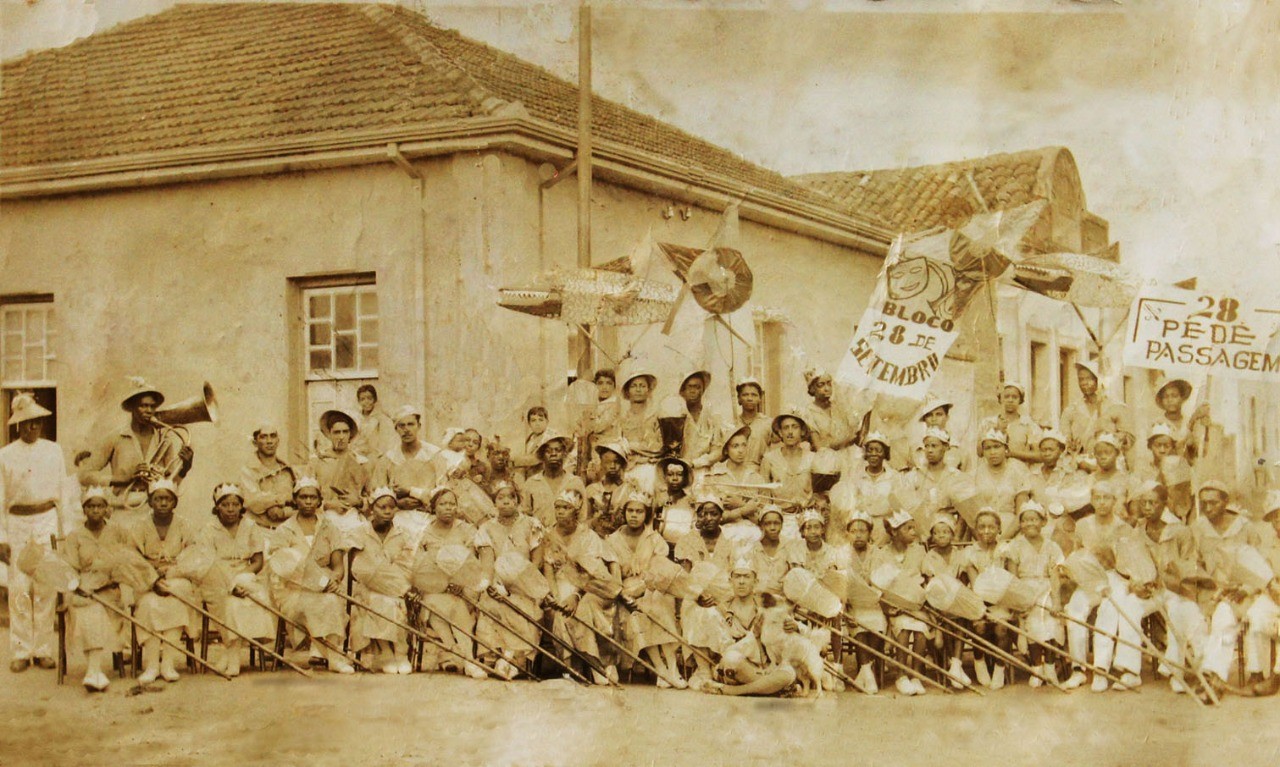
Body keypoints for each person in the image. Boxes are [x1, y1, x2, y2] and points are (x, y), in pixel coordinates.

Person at [0, 394, 70, 671]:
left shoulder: (54, 451)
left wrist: (66, 532)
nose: (33, 427)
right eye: (28, 422)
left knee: (45, 586)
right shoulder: (5, 455)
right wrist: (2, 538)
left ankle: (42, 649)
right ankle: (21, 650)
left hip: (46, 520)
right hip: (17, 523)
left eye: (37, 422)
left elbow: (63, 492)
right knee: (19, 587)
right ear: (18, 424)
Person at [114, 479, 201, 684]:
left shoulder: (185, 525)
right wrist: (152, 578)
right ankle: (152, 664)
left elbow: (193, 555)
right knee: (148, 605)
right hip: (147, 581)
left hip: (176, 579)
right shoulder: (139, 526)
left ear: (174, 502)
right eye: (158, 499)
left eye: (167, 499)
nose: (163, 503)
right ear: (150, 502)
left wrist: (171, 572)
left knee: (176, 603)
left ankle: (168, 663)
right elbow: (131, 557)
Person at [269, 477, 353, 673]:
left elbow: (338, 567)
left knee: (331, 599)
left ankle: (329, 655)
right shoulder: (284, 530)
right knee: (323, 602)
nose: (308, 501)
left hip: (325, 586)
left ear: (319, 500)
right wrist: (312, 582)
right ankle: (334, 656)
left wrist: (334, 580)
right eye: (303, 497)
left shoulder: (330, 528)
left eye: (312, 497)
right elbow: (282, 569)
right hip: (294, 590)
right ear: (295, 499)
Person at [541, 488, 623, 685]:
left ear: (576, 511)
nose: (560, 512)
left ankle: (596, 663)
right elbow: (548, 568)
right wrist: (554, 596)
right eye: (557, 507)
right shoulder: (549, 535)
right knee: (559, 611)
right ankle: (570, 666)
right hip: (560, 583)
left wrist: (575, 596)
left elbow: (590, 572)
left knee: (582, 609)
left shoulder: (587, 535)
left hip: (588, 586)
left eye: (566, 508)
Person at [78, 378, 194, 516]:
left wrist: (184, 469)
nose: (149, 410)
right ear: (132, 407)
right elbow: (84, 475)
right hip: (121, 509)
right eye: (143, 406)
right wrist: (122, 479)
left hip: (153, 512)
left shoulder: (164, 440)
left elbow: (170, 482)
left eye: (152, 406)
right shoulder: (115, 437)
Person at [195, 483, 276, 677]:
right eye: (225, 505)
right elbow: (208, 563)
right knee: (231, 603)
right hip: (216, 579)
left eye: (235, 504)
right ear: (217, 507)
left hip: (245, 575)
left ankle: (231, 653)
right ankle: (232, 657)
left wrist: (242, 577)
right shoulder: (208, 530)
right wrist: (231, 583)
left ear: (241, 506)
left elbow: (258, 561)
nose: (230, 509)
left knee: (251, 598)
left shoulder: (250, 526)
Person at [608, 493, 686, 688]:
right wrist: (626, 592)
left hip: (651, 587)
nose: (634, 515)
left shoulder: (654, 539)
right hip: (624, 592)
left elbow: (660, 570)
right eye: (630, 511)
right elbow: (613, 575)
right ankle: (660, 668)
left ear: (647, 514)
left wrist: (644, 587)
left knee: (658, 602)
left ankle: (672, 667)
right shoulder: (612, 540)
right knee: (641, 612)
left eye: (639, 511)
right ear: (624, 512)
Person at [413, 487, 487, 679]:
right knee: (438, 604)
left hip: (463, 587)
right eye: (443, 504)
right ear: (433, 507)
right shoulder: (423, 532)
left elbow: (472, 564)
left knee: (452, 605)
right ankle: (467, 659)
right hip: (434, 587)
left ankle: (452, 654)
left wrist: (460, 584)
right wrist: (441, 585)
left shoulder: (466, 530)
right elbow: (419, 567)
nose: (448, 508)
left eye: (452, 504)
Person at [475, 481, 544, 677]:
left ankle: (513, 658)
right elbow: (487, 564)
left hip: (526, 582)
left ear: (517, 500)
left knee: (522, 606)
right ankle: (499, 656)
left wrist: (519, 583)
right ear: (494, 502)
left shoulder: (532, 524)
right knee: (492, 605)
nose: (506, 502)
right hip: (498, 584)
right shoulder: (486, 528)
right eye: (500, 498)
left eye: (511, 497)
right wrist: (492, 585)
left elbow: (537, 561)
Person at [60, 486, 125, 691]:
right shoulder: (75, 536)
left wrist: (110, 579)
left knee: (99, 609)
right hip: (84, 590)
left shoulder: (117, 531)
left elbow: (126, 560)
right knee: (90, 610)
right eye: (91, 506)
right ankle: (94, 671)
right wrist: (77, 586)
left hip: (110, 589)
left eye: (100, 506)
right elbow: (69, 568)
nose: (96, 510)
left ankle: (93, 671)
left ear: (106, 508)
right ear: (84, 509)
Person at [348, 487, 416, 674]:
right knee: (378, 600)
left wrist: (390, 581)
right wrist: (378, 577)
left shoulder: (403, 534)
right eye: (382, 507)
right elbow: (356, 568)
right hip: (367, 589)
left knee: (394, 602)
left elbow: (407, 566)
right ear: (372, 508)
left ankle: (400, 653)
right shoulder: (360, 533)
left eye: (391, 507)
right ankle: (385, 652)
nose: (387, 511)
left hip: (397, 588)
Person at [674, 494, 738, 688]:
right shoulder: (687, 541)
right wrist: (699, 596)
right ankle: (703, 669)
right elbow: (684, 577)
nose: (708, 518)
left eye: (713, 513)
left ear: (721, 516)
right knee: (702, 613)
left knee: (714, 613)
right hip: (695, 598)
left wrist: (719, 600)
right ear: (698, 516)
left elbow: (736, 575)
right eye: (703, 513)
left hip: (725, 598)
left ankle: (716, 665)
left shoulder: (732, 541)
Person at [1002, 500, 1065, 688]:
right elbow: (1013, 579)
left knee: (1052, 620)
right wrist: (1019, 602)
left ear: (1043, 522)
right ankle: (1037, 667)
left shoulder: (1052, 546)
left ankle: (1050, 666)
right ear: (1020, 524)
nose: (1030, 523)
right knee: (1032, 621)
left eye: (1034, 519)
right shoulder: (1015, 546)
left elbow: (1055, 576)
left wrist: (1057, 602)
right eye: (1025, 520)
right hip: (1025, 590)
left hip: (1047, 589)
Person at [868, 509, 930, 695]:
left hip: (916, 603)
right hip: (893, 606)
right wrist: (888, 607)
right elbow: (877, 584)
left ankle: (916, 675)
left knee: (920, 631)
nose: (913, 532)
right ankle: (901, 675)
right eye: (907, 528)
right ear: (894, 532)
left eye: (913, 528)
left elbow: (927, 578)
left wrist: (923, 598)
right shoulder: (881, 554)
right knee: (902, 630)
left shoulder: (919, 551)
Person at [959, 508, 1012, 690]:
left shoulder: (1005, 550)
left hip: (1002, 599)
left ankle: (999, 668)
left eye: (991, 527)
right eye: (981, 527)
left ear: (999, 528)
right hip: (979, 600)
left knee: (1001, 629)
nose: (986, 531)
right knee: (980, 626)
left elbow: (1010, 579)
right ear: (975, 529)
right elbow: (976, 585)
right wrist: (983, 606)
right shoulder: (970, 553)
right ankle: (979, 661)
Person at [369, 405, 444, 517]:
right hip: (397, 516)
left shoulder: (434, 454)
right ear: (396, 429)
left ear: (419, 426)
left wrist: (413, 492)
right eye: (401, 425)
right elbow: (378, 493)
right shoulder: (388, 458)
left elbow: (443, 491)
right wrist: (397, 503)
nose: (406, 430)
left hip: (429, 516)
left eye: (411, 424)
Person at [921, 513, 970, 687]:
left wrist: (957, 597)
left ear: (952, 534)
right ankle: (953, 663)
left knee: (962, 618)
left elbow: (963, 580)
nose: (941, 536)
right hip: (937, 601)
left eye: (945, 532)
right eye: (936, 533)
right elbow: (929, 586)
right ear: (932, 536)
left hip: (956, 597)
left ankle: (955, 664)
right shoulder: (929, 557)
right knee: (945, 623)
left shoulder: (960, 554)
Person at [843, 510, 886, 694]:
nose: (858, 535)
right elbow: (840, 583)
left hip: (873, 602)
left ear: (869, 533)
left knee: (878, 623)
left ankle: (864, 671)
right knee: (859, 624)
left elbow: (881, 581)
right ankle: (868, 672)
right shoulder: (842, 554)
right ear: (848, 533)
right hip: (852, 603)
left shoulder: (877, 553)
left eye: (862, 531)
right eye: (854, 531)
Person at [703, 426, 766, 548]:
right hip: (724, 535)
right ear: (726, 450)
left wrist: (740, 504)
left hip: (752, 536)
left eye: (744, 445)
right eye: (735, 446)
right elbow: (710, 519)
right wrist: (743, 510)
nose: (741, 450)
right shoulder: (714, 477)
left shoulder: (756, 478)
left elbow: (763, 519)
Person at [1059, 360, 1132, 462]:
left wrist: (1117, 438)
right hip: (1081, 463)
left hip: (1110, 462)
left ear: (1099, 380)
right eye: (1081, 379)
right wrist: (1069, 444)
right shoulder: (1071, 410)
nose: (1084, 383)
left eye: (1089, 379)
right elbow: (1063, 439)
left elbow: (1128, 439)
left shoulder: (1116, 407)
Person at [840, 431, 904, 543]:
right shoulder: (855, 476)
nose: (874, 454)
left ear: (885, 453)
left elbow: (898, 508)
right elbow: (848, 505)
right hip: (860, 527)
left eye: (878, 450)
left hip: (885, 529)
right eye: (870, 450)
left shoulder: (895, 478)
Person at [761, 409, 814, 536]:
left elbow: (820, 494)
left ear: (802, 431)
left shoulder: (812, 458)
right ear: (780, 432)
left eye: (795, 427)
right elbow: (763, 497)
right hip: (781, 520)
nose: (790, 432)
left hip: (808, 519)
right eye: (786, 428)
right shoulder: (769, 459)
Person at [971, 429, 1032, 538]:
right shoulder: (975, 474)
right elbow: (971, 513)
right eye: (987, 448)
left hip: (1011, 530)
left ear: (1006, 448)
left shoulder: (1018, 470)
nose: (992, 452)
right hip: (983, 531)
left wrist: (1004, 539)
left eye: (997, 447)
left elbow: (1021, 513)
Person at [309, 409, 371, 515]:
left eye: (345, 432)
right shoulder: (317, 461)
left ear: (350, 434)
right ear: (329, 434)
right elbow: (307, 495)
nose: (341, 437)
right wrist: (327, 505)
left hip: (353, 516)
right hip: (324, 515)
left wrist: (359, 502)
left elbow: (371, 497)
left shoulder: (361, 462)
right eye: (337, 432)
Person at [523, 433, 587, 529]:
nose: (553, 454)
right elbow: (525, 516)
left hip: (568, 536)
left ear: (564, 454)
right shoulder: (531, 483)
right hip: (540, 536)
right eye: (548, 451)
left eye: (558, 450)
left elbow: (582, 517)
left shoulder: (575, 482)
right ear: (542, 455)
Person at [240, 424, 296, 530]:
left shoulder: (288, 471)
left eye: (273, 436)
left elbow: (299, 502)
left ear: (278, 441)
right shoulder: (248, 471)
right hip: (259, 530)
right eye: (263, 437)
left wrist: (283, 512)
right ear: (255, 442)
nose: (269, 441)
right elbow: (254, 502)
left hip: (287, 531)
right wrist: (282, 499)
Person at [977, 382, 1042, 465]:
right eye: (1006, 397)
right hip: (992, 471)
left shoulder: (1028, 424)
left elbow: (1039, 456)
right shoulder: (988, 423)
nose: (1010, 400)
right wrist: (997, 431)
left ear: (1020, 400)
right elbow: (979, 453)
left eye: (1015, 397)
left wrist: (1012, 454)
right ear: (1000, 399)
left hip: (1019, 470)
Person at [1151, 377, 1209, 465]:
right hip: (1165, 469)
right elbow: (1171, 449)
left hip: (1187, 469)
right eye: (1165, 397)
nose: (1170, 400)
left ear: (1182, 398)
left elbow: (1200, 452)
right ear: (1161, 401)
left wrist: (1206, 428)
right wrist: (1193, 419)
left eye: (1174, 396)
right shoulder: (1158, 423)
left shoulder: (1187, 421)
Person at [676, 370, 724, 472]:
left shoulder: (712, 417)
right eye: (689, 387)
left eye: (697, 387)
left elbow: (717, 451)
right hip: (680, 471)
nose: (693, 391)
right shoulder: (677, 416)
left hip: (704, 471)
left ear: (703, 390)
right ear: (683, 391)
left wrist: (695, 463)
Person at [584, 441, 639, 530]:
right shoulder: (591, 490)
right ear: (601, 463)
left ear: (622, 464)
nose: (612, 466)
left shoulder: (629, 489)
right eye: (607, 462)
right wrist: (595, 521)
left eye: (616, 462)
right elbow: (584, 521)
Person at [617, 368, 662, 470]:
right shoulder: (622, 419)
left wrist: (631, 446)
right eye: (634, 386)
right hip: (627, 467)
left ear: (648, 390)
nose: (638, 390)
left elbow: (658, 447)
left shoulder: (656, 416)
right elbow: (618, 445)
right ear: (627, 391)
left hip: (651, 467)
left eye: (642, 386)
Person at [746, 506, 790, 596]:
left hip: (783, 598)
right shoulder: (752, 549)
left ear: (782, 525)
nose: (772, 527)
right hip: (757, 597)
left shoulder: (789, 547)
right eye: (767, 524)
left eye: (776, 523)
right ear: (761, 526)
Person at [732, 378, 773, 468]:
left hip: (760, 471)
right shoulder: (732, 423)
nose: (750, 398)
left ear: (760, 399)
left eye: (754, 395)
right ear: (739, 399)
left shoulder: (768, 423)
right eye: (745, 395)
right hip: (735, 471)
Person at [353, 384, 397, 460]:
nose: (366, 402)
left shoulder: (382, 418)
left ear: (375, 400)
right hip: (357, 456)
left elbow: (385, 443)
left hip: (375, 457)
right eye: (362, 399)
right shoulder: (356, 417)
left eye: (369, 398)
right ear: (359, 401)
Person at [513, 406, 550, 479]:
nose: (537, 424)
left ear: (547, 422)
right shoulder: (531, 437)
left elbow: (536, 458)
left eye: (541, 420)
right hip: (531, 476)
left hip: (544, 476)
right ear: (529, 423)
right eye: (533, 420)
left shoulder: (549, 437)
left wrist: (512, 460)